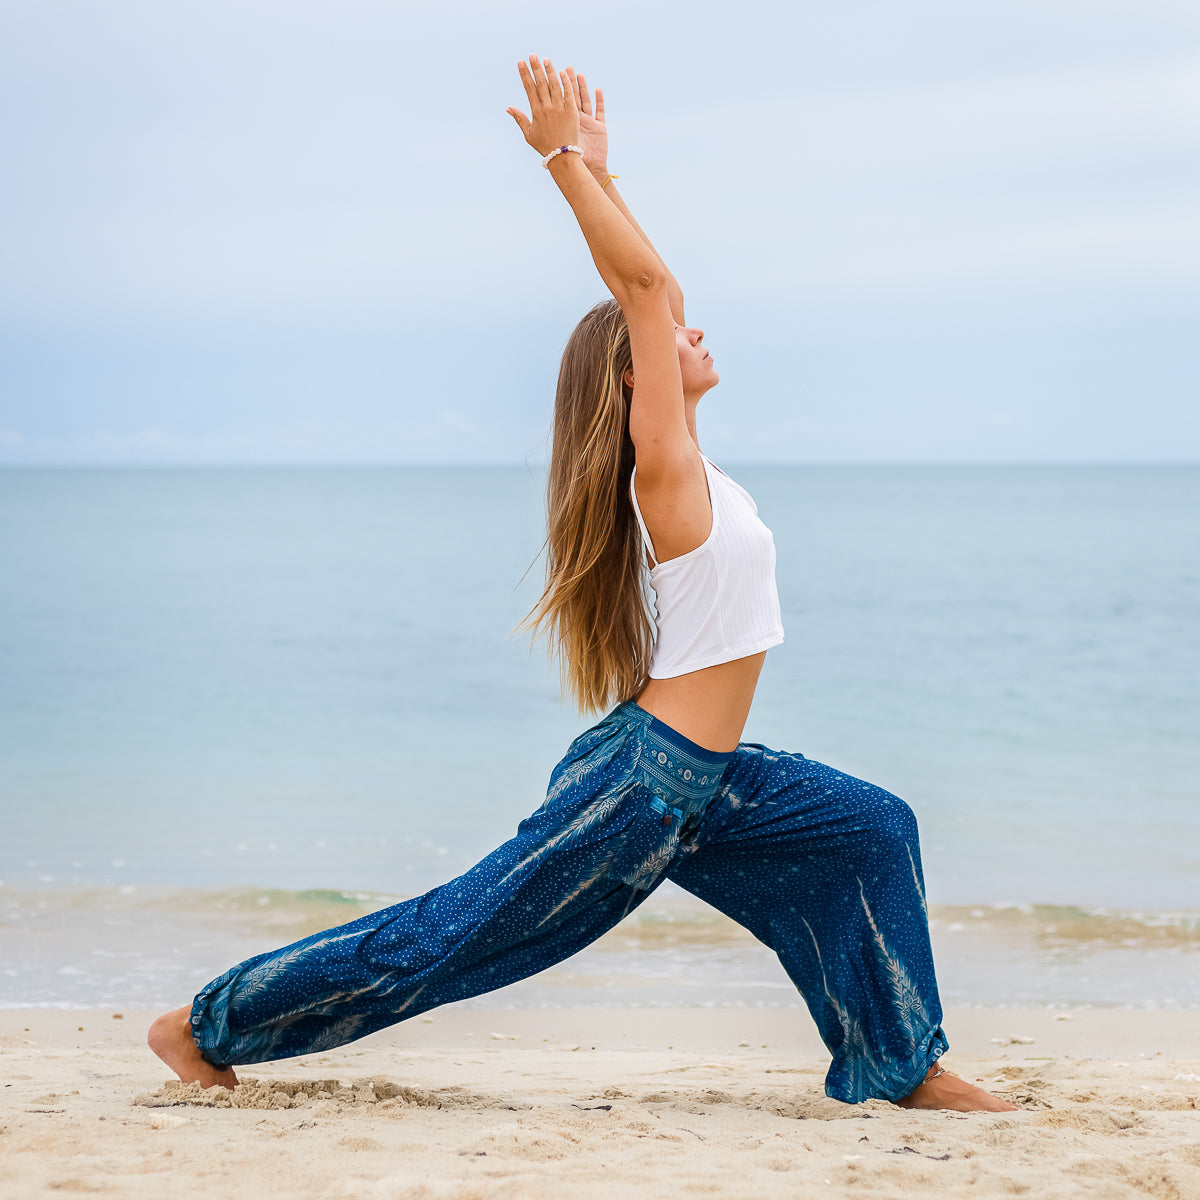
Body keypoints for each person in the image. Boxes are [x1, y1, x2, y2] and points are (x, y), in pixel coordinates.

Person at [148, 56, 1016, 1113]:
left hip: (713, 783)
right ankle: (202, 1026)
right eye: (668, 339)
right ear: (633, 383)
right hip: (641, 792)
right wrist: (563, 165)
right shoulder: (667, 476)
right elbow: (646, 289)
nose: (692, 327)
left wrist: (605, 172)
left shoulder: (698, 473)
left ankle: (901, 1067)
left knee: (872, 827)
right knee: (446, 942)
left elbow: (659, 288)